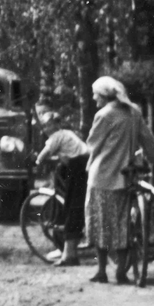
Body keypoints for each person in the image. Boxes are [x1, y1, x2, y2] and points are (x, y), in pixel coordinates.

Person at [84, 76, 154, 284]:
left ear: (104, 95)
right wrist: (153, 156)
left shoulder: (104, 115)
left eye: (95, 94)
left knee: (101, 223)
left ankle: (101, 271)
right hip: (125, 177)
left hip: (102, 177)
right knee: (122, 224)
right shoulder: (134, 112)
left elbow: (92, 145)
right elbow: (148, 140)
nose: (93, 98)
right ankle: (121, 272)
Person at [34, 110, 89, 267]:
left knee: (72, 205)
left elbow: (44, 154)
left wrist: (37, 161)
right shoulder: (68, 133)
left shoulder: (56, 136)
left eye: (49, 125)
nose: (46, 128)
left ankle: (68, 250)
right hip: (82, 164)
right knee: (71, 200)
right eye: (44, 126)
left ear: (57, 124)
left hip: (77, 166)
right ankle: (65, 245)